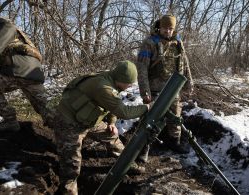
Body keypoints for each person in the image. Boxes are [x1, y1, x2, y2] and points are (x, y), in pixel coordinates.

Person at [51, 61, 150, 195]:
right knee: (71, 165)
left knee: (112, 136)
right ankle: (68, 190)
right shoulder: (103, 86)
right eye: (129, 83)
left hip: (88, 119)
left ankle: (127, 164)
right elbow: (124, 112)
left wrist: (111, 123)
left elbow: (112, 106)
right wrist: (147, 108)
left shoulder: (112, 81)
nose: (130, 86)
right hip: (68, 122)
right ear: (120, 79)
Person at [0, 11, 52, 131]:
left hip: (18, 70)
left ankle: (10, 121)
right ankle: (67, 132)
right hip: (32, 72)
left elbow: (9, 27)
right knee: (44, 107)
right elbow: (1, 65)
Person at [136, 14, 194, 161]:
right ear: (159, 27)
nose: (167, 31)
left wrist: (189, 82)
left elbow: (184, 63)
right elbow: (141, 69)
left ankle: (174, 142)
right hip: (155, 89)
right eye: (165, 28)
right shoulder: (149, 43)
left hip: (173, 88)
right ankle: (142, 149)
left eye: (170, 28)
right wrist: (145, 92)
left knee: (175, 117)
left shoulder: (178, 42)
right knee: (150, 120)